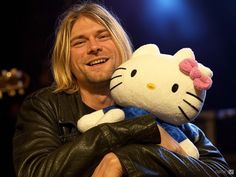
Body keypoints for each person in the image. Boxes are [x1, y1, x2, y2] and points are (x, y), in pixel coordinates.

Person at [13, 2, 234, 177]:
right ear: (66, 57)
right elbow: (34, 171)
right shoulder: (44, 106)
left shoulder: (155, 99)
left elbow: (221, 171)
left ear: (119, 44)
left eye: (103, 36)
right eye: (79, 42)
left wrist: (125, 159)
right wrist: (129, 131)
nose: (94, 47)